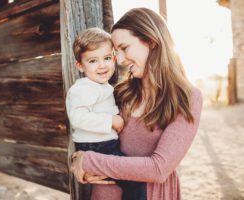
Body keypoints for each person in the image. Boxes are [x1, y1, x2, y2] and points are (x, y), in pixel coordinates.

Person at [70, 8, 203, 200]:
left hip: (152, 194)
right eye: (117, 53)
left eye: (124, 48)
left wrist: (89, 161)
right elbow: (91, 135)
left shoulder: (187, 98)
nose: (121, 60)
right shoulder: (120, 92)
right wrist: (76, 160)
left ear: (151, 40)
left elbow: (158, 168)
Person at [66, 27, 147, 200]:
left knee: (130, 180)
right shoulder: (83, 88)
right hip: (96, 147)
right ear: (80, 66)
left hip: (103, 146)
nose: (102, 65)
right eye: (93, 61)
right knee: (135, 181)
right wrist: (111, 121)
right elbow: (78, 118)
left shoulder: (103, 87)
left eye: (107, 58)